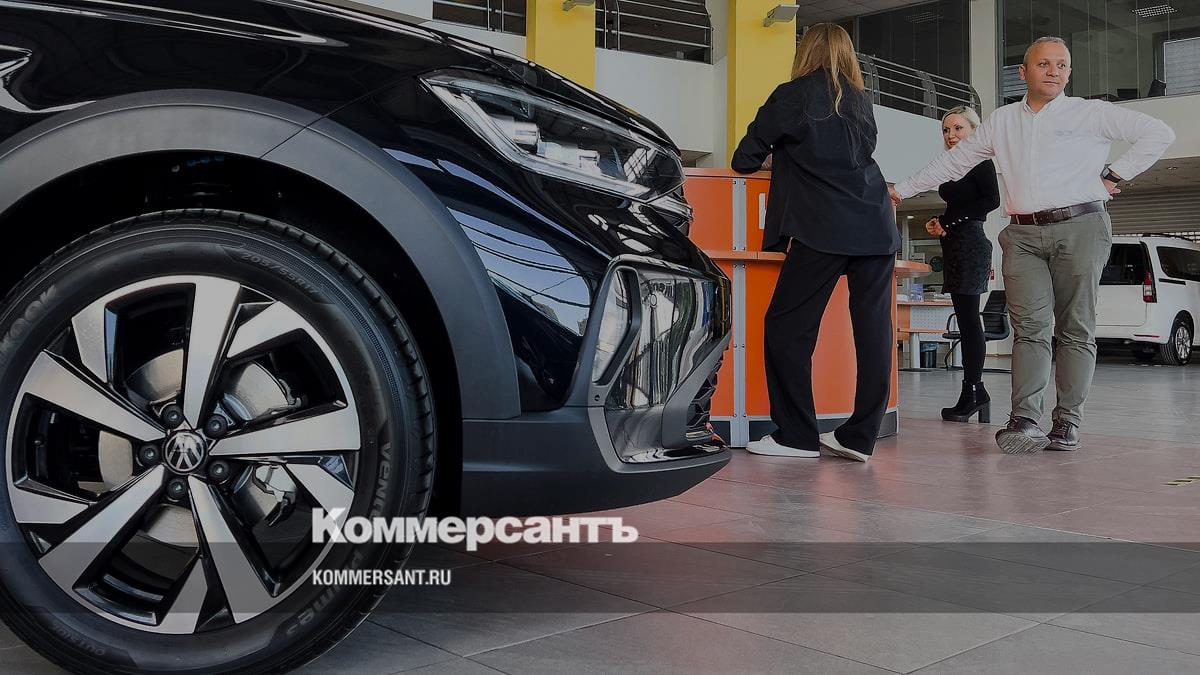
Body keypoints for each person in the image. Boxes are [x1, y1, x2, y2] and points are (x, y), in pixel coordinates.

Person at [890, 36, 1174, 454]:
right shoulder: (1003, 121)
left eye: (1062, 64)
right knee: (1029, 328)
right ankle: (1024, 419)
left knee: (1075, 327)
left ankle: (1067, 422)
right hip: (1022, 233)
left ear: (1069, 72)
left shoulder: (1090, 113)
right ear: (1023, 72)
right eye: (1044, 64)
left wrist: (1114, 175)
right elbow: (954, 161)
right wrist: (902, 189)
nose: (1054, 71)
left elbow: (1159, 133)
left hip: (1081, 225)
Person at [732, 23, 899, 462]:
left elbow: (744, 158)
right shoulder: (860, 100)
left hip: (824, 227)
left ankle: (796, 436)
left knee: (788, 328)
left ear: (805, 52)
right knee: (874, 335)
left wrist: (782, 153)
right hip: (876, 225)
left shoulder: (793, 95)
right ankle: (859, 437)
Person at [924, 106, 1000, 423]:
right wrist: (940, 222)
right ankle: (973, 393)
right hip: (956, 244)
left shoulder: (981, 160)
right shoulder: (953, 164)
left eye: (958, 128)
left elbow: (991, 201)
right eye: (946, 130)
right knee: (966, 319)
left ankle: (974, 392)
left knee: (969, 321)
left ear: (974, 130)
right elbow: (958, 205)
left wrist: (950, 222)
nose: (951, 135)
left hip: (970, 244)